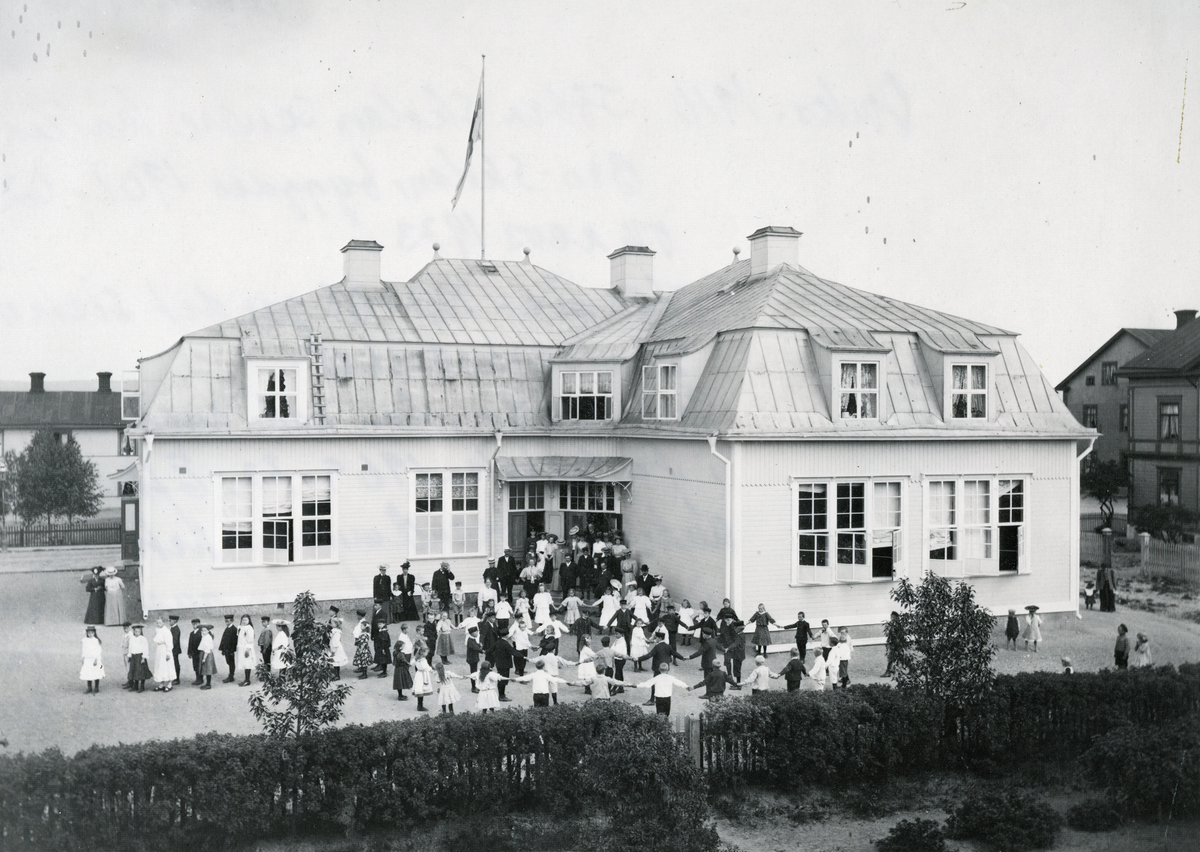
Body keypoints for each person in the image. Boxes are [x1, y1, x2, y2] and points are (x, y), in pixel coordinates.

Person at [151, 617, 175, 693]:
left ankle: (169, 684)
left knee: (167, 666)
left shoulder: (166, 631)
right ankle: (161, 684)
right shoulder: (158, 630)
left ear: (163, 623)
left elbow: (169, 643)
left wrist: (168, 653)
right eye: (157, 623)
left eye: (160, 623)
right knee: (160, 666)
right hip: (159, 650)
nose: (158, 624)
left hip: (165, 650)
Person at [127, 623, 152, 692]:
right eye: (136, 631)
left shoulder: (143, 639)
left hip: (140, 657)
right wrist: (130, 656)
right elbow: (130, 647)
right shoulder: (132, 638)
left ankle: (142, 686)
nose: (137, 633)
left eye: (138, 631)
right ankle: (136, 685)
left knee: (141, 671)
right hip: (134, 656)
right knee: (134, 671)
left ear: (141, 632)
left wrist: (143, 657)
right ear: (133, 631)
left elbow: (145, 648)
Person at [80, 625, 105, 694]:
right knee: (88, 672)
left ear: (94, 633)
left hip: (95, 659)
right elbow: (84, 650)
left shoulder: (96, 641)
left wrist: (96, 659)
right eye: (89, 633)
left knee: (96, 672)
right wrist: (83, 657)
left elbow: (98, 651)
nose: (90, 634)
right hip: (88, 659)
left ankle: (96, 687)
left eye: (92, 633)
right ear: (87, 633)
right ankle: (89, 687)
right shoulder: (85, 640)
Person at [411, 640, 434, 711]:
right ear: (423, 652)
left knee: (420, 689)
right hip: (422, 675)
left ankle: (420, 705)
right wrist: (431, 670)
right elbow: (425, 667)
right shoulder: (423, 660)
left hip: (418, 674)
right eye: (426, 652)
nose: (427, 654)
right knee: (421, 689)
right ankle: (420, 706)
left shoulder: (416, 658)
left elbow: (411, 663)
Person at [392, 627, 413, 700]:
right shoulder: (401, 654)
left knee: (398, 683)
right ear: (400, 648)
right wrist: (409, 664)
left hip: (397, 669)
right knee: (401, 682)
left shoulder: (395, 653)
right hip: (401, 669)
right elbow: (404, 660)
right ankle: (400, 696)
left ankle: (400, 694)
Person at [235, 614, 257, 686]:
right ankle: (246, 679)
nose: (244, 621)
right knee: (244, 663)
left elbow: (250, 640)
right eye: (243, 620)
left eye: (246, 620)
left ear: (249, 620)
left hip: (246, 649)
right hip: (241, 648)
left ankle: (247, 680)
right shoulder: (241, 627)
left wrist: (247, 649)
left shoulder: (249, 628)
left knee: (247, 663)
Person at [218, 614, 238, 682]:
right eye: (225, 621)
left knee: (231, 663)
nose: (226, 622)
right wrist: (222, 649)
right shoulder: (227, 628)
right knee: (228, 662)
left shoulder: (234, 629)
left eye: (228, 621)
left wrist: (232, 651)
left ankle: (231, 676)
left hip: (230, 650)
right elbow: (223, 639)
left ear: (232, 621)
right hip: (226, 650)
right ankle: (230, 675)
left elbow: (235, 641)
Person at [197, 624, 218, 689]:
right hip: (204, 653)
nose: (203, 632)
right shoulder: (204, 636)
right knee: (206, 669)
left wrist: (204, 658)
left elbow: (207, 649)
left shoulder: (208, 638)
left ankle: (208, 684)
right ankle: (207, 683)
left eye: (205, 630)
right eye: (202, 630)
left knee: (208, 669)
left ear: (208, 631)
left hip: (207, 654)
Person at [352, 610, 372, 678]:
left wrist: (361, 648)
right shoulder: (361, 622)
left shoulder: (365, 632)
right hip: (360, 644)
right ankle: (361, 669)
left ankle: (364, 673)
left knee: (364, 660)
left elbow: (364, 642)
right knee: (361, 659)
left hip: (363, 649)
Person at [187, 618, 203, 685]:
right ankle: (197, 678)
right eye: (193, 624)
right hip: (194, 653)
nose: (194, 625)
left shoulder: (201, 632)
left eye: (196, 624)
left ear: (199, 624)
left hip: (199, 652)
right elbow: (190, 643)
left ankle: (200, 679)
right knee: (195, 666)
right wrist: (189, 652)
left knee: (200, 666)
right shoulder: (191, 633)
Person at [169, 615, 182, 685]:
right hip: (173, 649)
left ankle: (177, 679)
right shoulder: (173, 628)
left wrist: (169, 646)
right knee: (173, 663)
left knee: (175, 663)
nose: (169, 622)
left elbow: (175, 640)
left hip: (174, 649)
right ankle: (174, 677)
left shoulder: (176, 629)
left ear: (174, 621)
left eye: (170, 620)